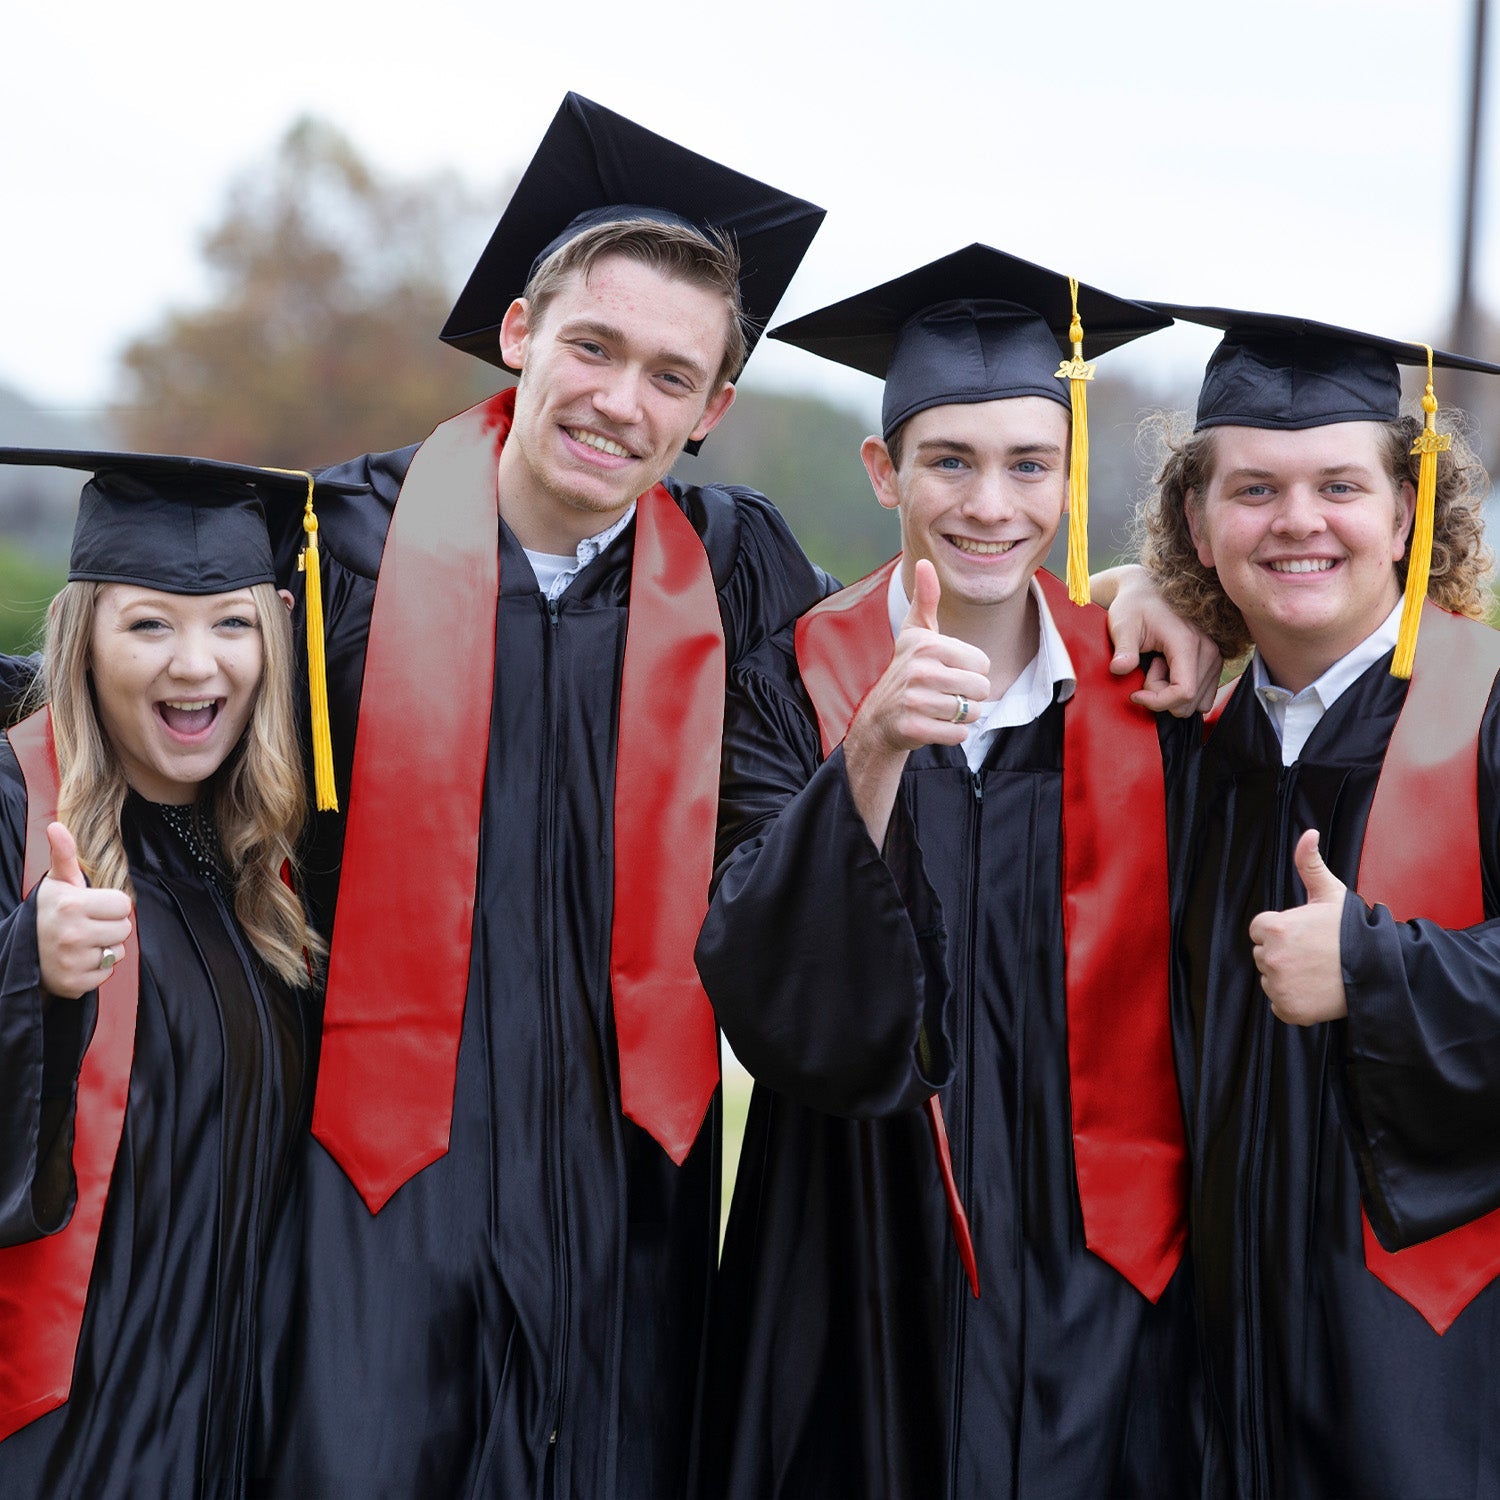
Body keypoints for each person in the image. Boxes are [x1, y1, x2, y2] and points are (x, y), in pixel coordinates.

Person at [253, 95, 829, 1499]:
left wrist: (1149, 612)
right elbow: (146, 706)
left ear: (711, 413)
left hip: (629, 1177)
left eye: (670, 376)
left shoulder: (741, 569)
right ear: (520, 335)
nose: (620, 401)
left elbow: (908, 690)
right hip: (377, 1170)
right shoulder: (344, 547)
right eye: (593, 346)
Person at [694, 246, 1202, 1499]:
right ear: (886, 473)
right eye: (950, 461)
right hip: (851, 1254)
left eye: (1029, 464)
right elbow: (760, 981)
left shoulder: (1151, 692)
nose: (992, 503)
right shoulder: (790, 682)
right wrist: (869, 746)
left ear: (1070, 474)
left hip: (1098, 1268)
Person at [1132, 306, 1500, 1499]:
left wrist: (1377, 968)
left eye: (1339, 485)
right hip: (1206, 1382)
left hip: (1433, 1379)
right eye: (1254, 490)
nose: (1298, 522)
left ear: (1406, 509)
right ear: (1196, 519)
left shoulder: (1486, 714)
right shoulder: (1174, 747)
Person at [0, 451, 338, 1498]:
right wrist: (29, 970)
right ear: (85, 638)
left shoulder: (266, 862)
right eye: (150, 624)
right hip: (63, 1429)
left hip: (229, 1414)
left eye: (232, 624)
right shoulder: (14, 806)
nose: (197, 666)